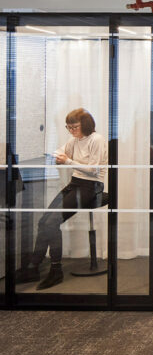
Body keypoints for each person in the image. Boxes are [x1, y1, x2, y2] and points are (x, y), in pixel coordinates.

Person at [16, 108, 108, 290]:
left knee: (51, 223)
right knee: (43, 222)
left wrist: (67, 161)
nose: (72, 131)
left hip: (91, 185)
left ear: (86, 125)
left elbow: (94, 170)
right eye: (69, 127)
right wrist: (57, 155)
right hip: (75, 183)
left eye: (75, 127)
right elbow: (61, 151)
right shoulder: (75, 140)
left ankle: (56, 270)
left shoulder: (96, 139)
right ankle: (34, 266)